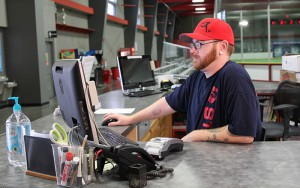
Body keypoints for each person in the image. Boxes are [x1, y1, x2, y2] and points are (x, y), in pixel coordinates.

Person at [103, 18, 262, 144]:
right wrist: (131, 119)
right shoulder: (198, 76)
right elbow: (168, 103)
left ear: (222, 47)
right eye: (192, 44)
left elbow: (244, 135)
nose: (192, 50)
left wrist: (197, 135)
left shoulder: (234, 76)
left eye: (199, 44)